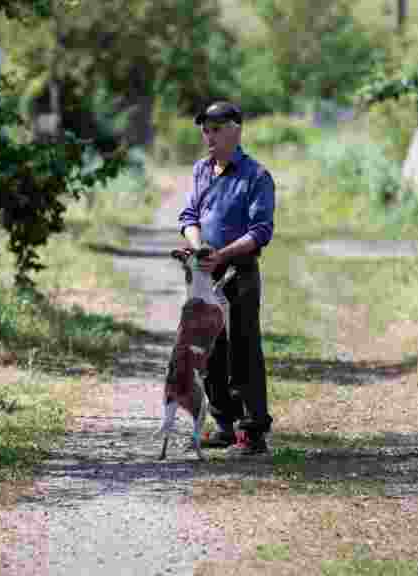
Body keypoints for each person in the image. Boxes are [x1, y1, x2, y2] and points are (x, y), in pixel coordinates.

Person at [178, 101, 275, 456]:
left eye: (217, 129)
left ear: (236, 129)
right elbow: (188, 215)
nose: (210, 136)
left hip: (239, 272)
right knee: (211, 350)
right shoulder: (201, 171)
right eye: (206, 129)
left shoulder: (257, 176)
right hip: (206, 272)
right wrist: (199, 247)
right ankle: (223, 425)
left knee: (244, 349)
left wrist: (224, 253)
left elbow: (261, 232)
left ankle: (253, 434)